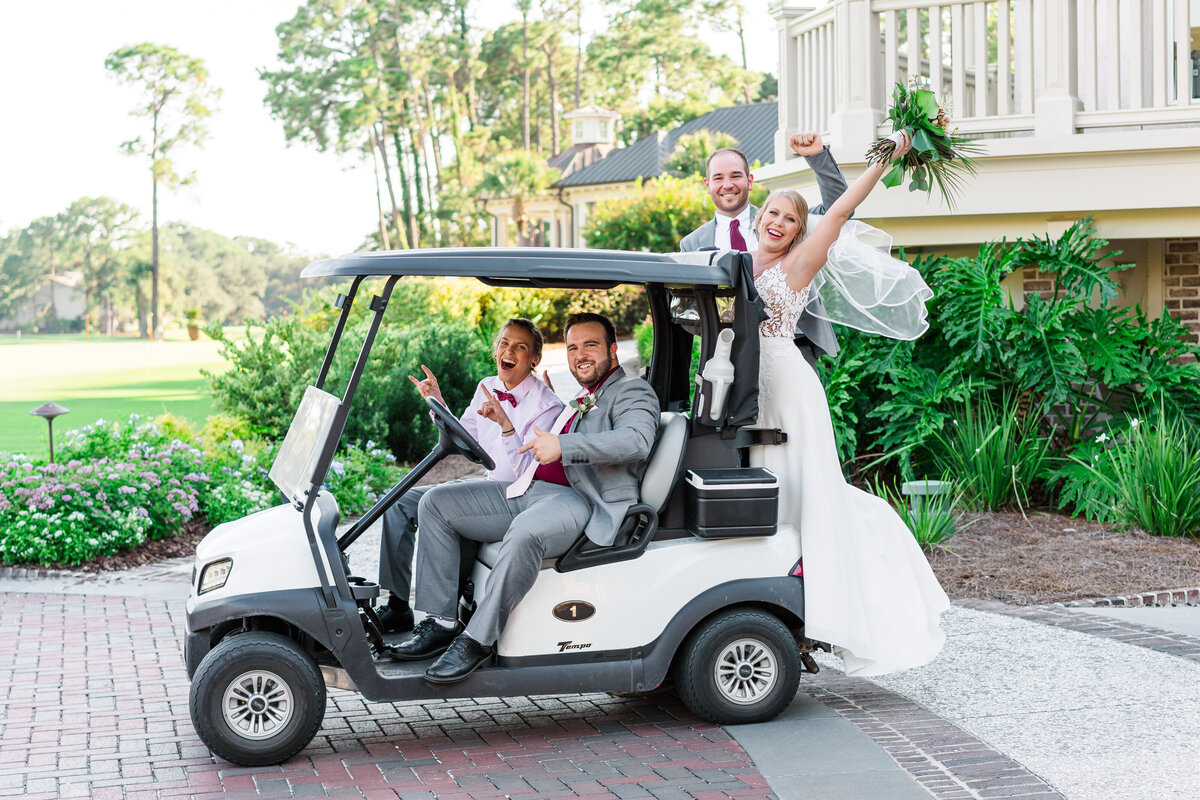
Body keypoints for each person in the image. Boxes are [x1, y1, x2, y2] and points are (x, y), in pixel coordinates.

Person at [749, 131, 950, 676]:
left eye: (790, 219)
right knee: (769, 496)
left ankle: (828, 617)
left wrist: (888, 157)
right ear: (758, 215)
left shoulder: (797, 266)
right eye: (772, 212)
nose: (779, 223)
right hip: (747, 396)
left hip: (789, 390)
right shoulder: (731, 260)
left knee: (807, 496)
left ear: (797, 232)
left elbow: (839, 211)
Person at [389, 312, 659, 683]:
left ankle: (477, 640)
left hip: (578, 499)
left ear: (613, 350)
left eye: (591, 345)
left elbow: (636, 441)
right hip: (529, 487)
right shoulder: (585, 394)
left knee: (525, 531)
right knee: (435, 503)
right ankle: (442, 622)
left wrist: (563, 444)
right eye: (573, 347)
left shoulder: (632, 391)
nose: (581, 354)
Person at [374, 318, 563, 634]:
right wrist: (437, 402)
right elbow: (467, 436)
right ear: (495, 350)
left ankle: (440, 622)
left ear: (534, 359)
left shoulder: (546, 406)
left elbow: (529, 471)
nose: (509, 350)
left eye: (520, 347)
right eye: (504, 343)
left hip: (521, 495)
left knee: (435, 502)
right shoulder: (487, 386)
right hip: (489, 485)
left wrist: (506, 426)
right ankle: (396, 606)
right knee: (399, 501)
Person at [679, 134, 848, 366]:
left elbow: (839, 209)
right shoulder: (691, 244)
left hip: (792, 351)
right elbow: (688, 308)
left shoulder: (782, 220)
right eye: (718, 178)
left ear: (749, 180)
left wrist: (817, 156)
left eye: (735, 176)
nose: (727, 185)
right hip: (727, 357)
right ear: (708, 185)